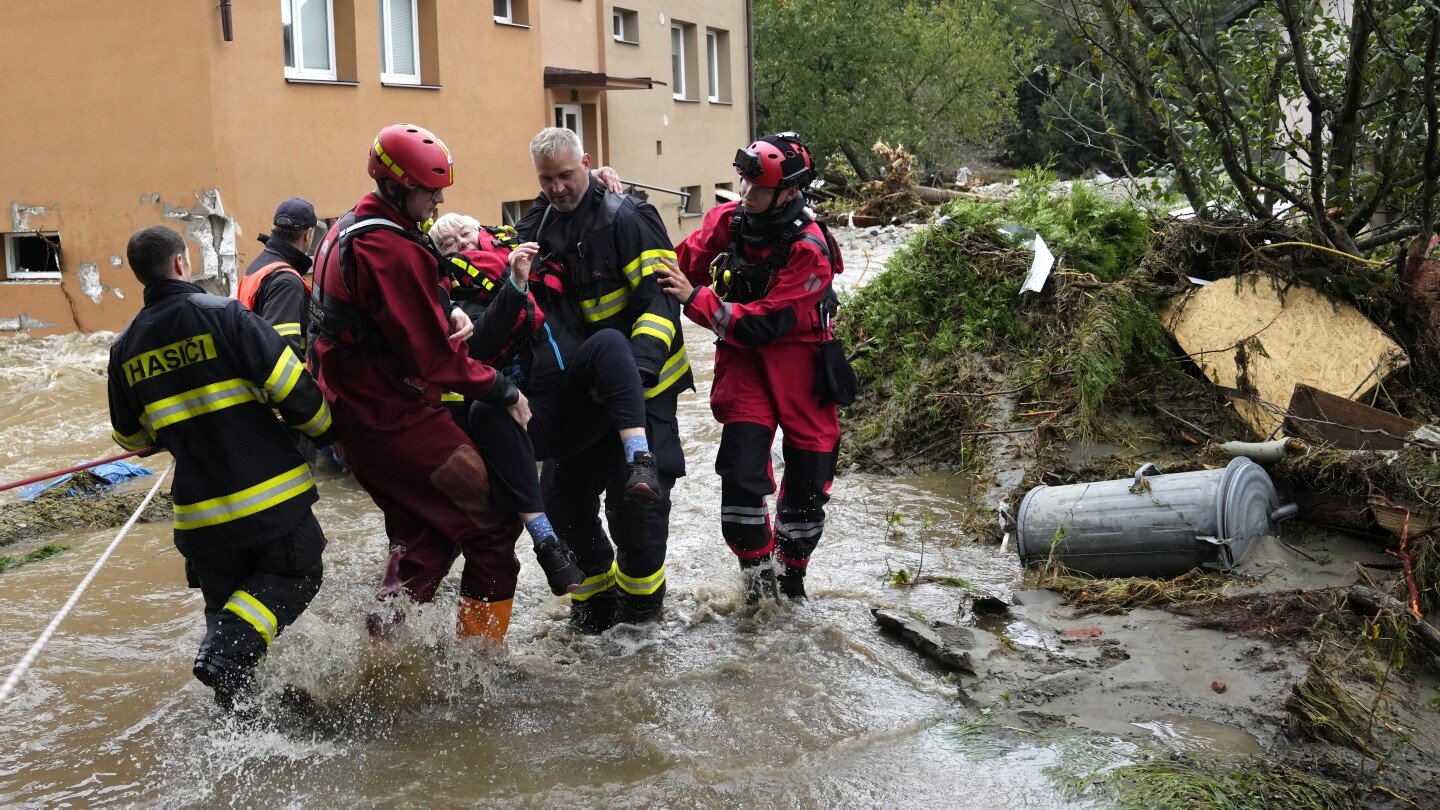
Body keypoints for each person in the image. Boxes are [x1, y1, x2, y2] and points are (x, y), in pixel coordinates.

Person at [307, 123, 529, 643]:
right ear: (397, 187)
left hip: (353, 415)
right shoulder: (390, 248)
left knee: (425, 529)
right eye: (431, 191)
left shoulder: (348, 227)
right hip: (390, 417)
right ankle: (478, 663)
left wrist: (447, 308)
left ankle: (382, 649)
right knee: (493, 523)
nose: (439, 200)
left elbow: (379, 313)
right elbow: (433, 361)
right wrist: (504, 390)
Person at [107, 225, 337, 709]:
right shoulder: (225, 316)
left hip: (201, 520)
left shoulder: (123, 348)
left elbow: (133, 438)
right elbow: (291, 386)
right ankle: (227, 652)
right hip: (270, 501)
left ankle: (238, 723)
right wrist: (327, 431)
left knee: (226, 609)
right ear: (180, 264)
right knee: (299, 574)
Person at [515, 127, 692, 631]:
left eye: (567, 175)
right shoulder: (538, 224)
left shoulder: (629, 216)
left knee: (638, 511)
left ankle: (641, 620)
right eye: (546, 179)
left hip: (644, 388)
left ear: (587, 163)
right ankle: (592, 607)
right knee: (562, 502)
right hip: (579, 394)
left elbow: (661, 303)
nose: (557, 188)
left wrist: (634, 373)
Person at [655, 132, 843, 603]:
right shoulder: (731, 219)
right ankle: (757, 581)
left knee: (808, 482)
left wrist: (697, 300)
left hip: (801, 361)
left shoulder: (810, 248)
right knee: (739, 474)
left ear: (789, 191)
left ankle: (792, 578)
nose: (746, 194)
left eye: (757, 189)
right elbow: (681, 261)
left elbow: (770, 323)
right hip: (744, 363)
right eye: (744, 183)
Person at [429, 213, 662, 507]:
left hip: (584, 401)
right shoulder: (458, 301)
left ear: (482, 231)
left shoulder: (525, 251)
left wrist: (595, 177)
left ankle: (640, 459)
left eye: (465, 233)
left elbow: (554, 201)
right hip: (533, 417)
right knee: (484, 411)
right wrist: (515, 284)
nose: (462, 243)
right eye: (450, 244)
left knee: (610, 341)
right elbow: (483, 342)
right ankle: (545, 539)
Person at [238, 198, 318, 354]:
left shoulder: (258, 267)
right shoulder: (287, 281)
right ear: (308, 234)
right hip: (287, 377)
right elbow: (280, 351)